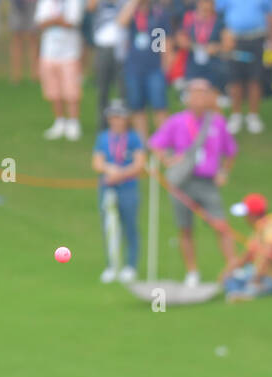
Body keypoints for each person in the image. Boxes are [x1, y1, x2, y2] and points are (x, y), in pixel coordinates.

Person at [148, 77, 238, 285]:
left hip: (207, 182)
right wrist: (168, 160)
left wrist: (224, 172)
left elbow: (231, 151)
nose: (199, 97)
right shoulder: (177, 121)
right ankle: (192, 272)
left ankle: (233, 267)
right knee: (185, 227)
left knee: (221, 225)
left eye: (203, 93)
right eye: (195, 93)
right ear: (187, 97)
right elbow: (156, 144)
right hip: (183, 182)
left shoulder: (217, 121)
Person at [92, 99, 144, 281]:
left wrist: (120, 173)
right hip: (107, 188)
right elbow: (97, 162)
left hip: (128, 187)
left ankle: (130, 265)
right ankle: (112, 265)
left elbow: (139, 164)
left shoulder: (134, 137)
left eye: (120, 117)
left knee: (129, 225)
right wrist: (109, 170)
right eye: (113, 117)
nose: (117, 120)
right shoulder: (103, 137)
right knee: (109, 226)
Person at [120, 0, 173, 138]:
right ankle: (142, 141)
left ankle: (164, 141)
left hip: (154, 68)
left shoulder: (159, 14)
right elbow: (121, 22)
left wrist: (165, 67)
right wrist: (133, 4)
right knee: (137, 106)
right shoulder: (132, 13)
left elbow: (163, 43)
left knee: (159, 106)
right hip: (133, 67)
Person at [217, 0, 271, 133]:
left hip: (257, 38)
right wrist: (224, 36)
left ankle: (253, 116)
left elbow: (270, 15)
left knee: (255, 79)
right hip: (233, 40)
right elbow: (219, 15)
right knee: (235, 80)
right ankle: (236, 115)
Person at [222, 192, 272, 299]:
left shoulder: (271, 227)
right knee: (231, 280)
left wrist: (256, 279)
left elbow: (268, 254)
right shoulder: (260, 228)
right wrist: (228, 272)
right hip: (257, 273)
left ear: (252, 215)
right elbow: (247, 255)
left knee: (247, 287)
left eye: (246, 214)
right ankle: (238, 293)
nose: (245, 218)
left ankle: (241, 294)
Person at [36, 0, 83, 140]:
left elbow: (72, 22)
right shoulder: (45, 2)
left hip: (70, 53)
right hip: (48, 53)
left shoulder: (74, 2)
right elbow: (40, 23)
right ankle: (60, 121)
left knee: (72, 91)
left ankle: (74, 122)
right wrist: (58, 20)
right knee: (53, 90)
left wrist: (53, 20)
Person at [86, 0, 124, 131]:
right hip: (103, 46)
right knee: (103, 90)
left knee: (122, 89)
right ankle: (103, 127)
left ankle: (122, 125)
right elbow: (90, 7)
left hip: (122, 47)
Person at [9, 0, 39, 83]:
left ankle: (35, 75)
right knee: (17, 38)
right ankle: (16, 76)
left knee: (33, 36)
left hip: (33, 2)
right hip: (17, 3)